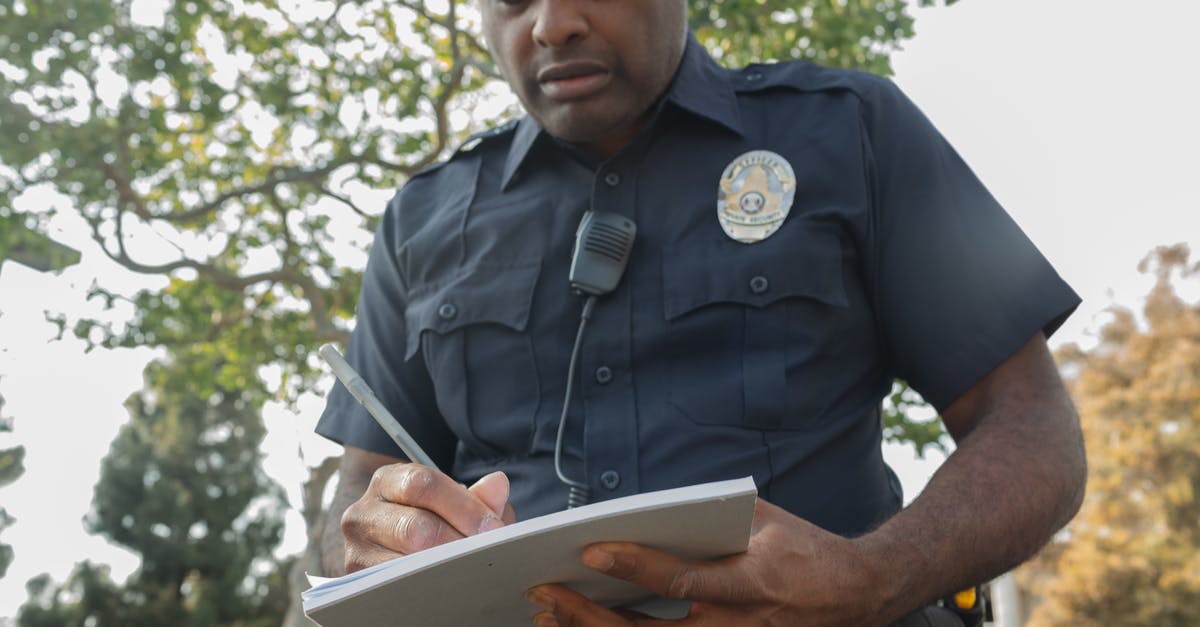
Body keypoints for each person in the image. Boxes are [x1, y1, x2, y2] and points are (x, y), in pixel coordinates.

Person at [315, 1, 1086, 625]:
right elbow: (362, 483)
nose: (551, 22)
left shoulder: (853, 129)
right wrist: (382, 532)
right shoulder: (421, 216)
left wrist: (872, 578)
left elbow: (1031, 428)